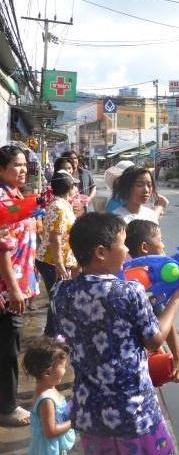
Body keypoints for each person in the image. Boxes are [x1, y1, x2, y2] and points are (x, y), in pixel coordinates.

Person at [50, 213, 179, 453]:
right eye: (122, 244)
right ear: (100, 252)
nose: (127, 250)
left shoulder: (60, 292)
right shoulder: (128, 291)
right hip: (133, 411)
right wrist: (177, 297)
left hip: (89, 411)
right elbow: (155, 339)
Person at [0, 145, 39, 427]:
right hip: (7, 288)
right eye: (16, 165)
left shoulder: (14, 196)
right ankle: (7, 407)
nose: (23, 169)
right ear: (1, 169)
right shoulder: (2, 199)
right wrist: (14, 289)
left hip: (18, 283)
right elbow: (2, 248)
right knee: (7, 349)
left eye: (25, 164)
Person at [125, 220, 179, 384]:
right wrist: (177, 357)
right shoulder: (145, 281)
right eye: (160, 240)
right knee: (169, 366)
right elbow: (159, 325)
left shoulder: (126, 272)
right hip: (133, 366)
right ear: (145, 248)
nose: (163, 245)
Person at [35, 172, 78, 336]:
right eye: (74, 186)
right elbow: (56, 239)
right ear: (70, 188)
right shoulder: (59, 208)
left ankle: (52, 335)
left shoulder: (61, 205)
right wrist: (59, 266)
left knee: (58, 300)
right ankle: (51, 337)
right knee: (58, 301)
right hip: (51, 262)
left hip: (55, 261)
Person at [23, 336, 76, 455]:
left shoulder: (45, 387)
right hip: (49, 450)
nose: (65, 369)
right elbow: (50, 431)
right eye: (62, 366)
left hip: (52, 446)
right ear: (47, 372)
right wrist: (74, 422)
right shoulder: (47, 399)